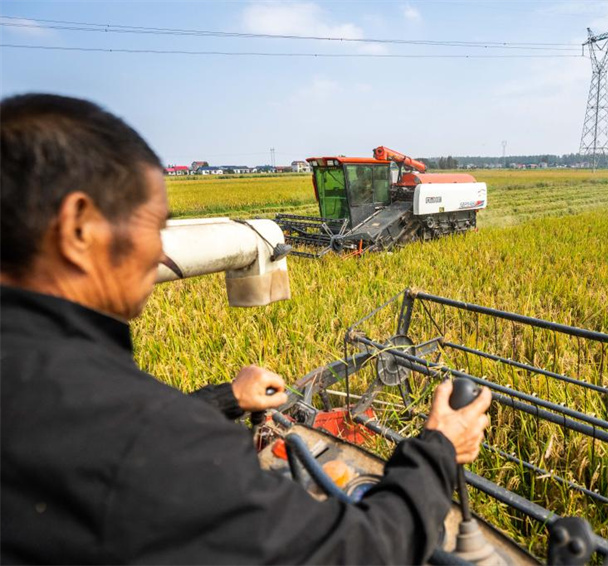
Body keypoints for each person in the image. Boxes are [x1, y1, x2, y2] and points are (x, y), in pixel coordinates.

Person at [0, 94, 492, 564]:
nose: (162, 252)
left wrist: (226, 399)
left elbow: (98, 441)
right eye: (154, 226)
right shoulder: (139, 440)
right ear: (80, 227)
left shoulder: (39, 384)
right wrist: (439, 449)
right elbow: (360, 553)